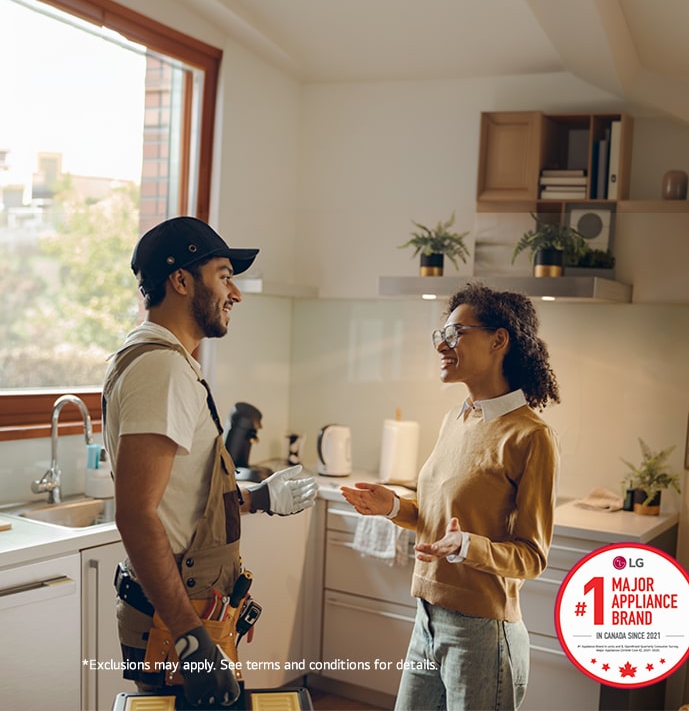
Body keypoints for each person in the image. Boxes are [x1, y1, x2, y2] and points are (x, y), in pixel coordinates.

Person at [103, 216, 317, 708]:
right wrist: (190, 640)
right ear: (181, 281)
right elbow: (137, 514)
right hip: (179, 623)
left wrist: (257, 498)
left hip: (191, 614)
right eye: (223, 275)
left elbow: (179, 502)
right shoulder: (163, 369)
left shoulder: (159, 360)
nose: (235, 293)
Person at [341, 281, 560, 711]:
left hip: (482, 633)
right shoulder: (456, 419)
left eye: (456, 333)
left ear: (499, 340)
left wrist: (467, 547)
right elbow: (440, 518)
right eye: (441, 334)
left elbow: (532, 557)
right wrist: (394, 507)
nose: (443, 344)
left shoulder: (530, 436)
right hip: (426, 619)